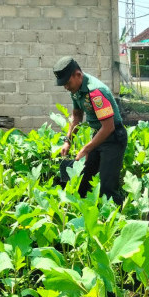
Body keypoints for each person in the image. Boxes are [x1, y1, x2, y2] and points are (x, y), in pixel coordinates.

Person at [53, 56, 127, 204]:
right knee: (85, 179)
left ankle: (120, 220)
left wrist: (86, 149)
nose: (66, 87)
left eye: (67, 83)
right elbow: (77, 116)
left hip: (113, 138)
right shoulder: (76, 90)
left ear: (78, 75)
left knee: (107, 188)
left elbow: (108, 127)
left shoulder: (96, 93)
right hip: (99, 136)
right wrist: (68, 141)